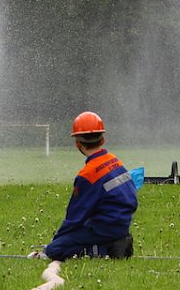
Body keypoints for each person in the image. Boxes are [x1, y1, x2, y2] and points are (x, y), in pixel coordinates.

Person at [32, 111, 138, 261]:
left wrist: (55, 244)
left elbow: (74, 218)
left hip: (103, 227)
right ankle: (116, 243)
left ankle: (105, 249)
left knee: (59, 248)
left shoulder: (87, 175)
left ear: (77, 143)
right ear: (102, 140)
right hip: (122, 224)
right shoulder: (115, 161)